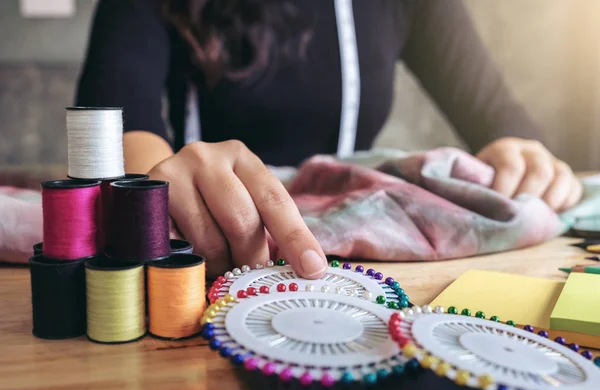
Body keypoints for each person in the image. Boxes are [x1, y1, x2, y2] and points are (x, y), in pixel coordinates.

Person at [75, 0, 582, 278]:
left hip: (359, 268)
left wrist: (520, 151)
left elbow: (495, 116)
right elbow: (112, 125)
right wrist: (159, 186)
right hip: (211, 245)